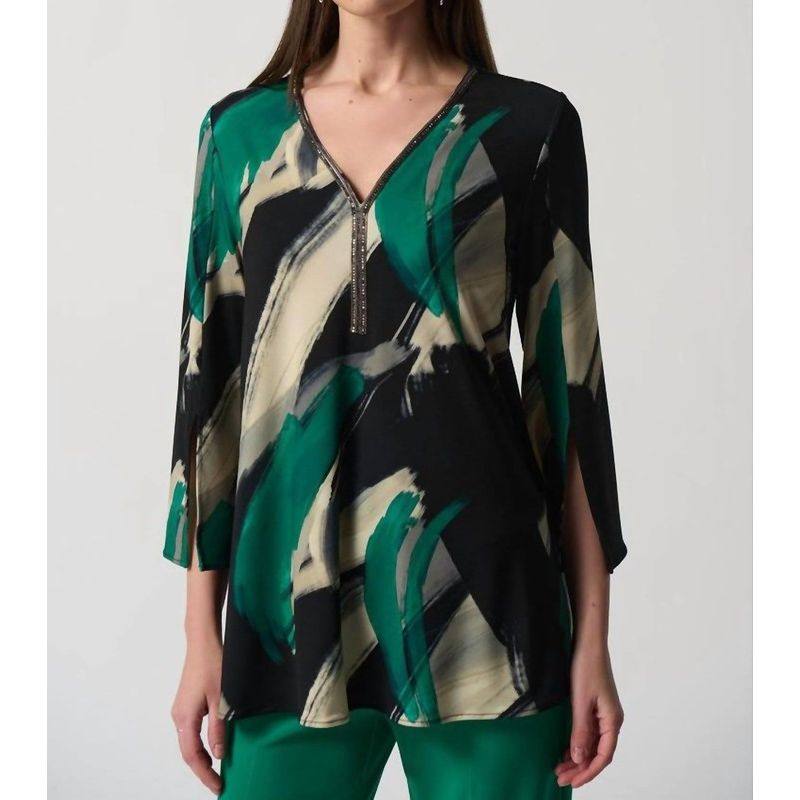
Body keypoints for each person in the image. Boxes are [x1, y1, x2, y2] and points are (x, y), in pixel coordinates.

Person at [164, 1, 626, 797]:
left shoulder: (528, 128)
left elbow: (570, 393)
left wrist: (593, 639)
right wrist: (200, 635)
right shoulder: (239, 136)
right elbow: (208, 400)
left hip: (489, 619)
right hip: (284, 618)